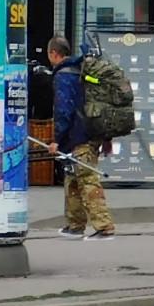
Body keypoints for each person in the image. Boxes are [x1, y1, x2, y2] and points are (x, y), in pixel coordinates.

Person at [49, 36, 114, 240]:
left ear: (54, 53)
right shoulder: (81, 71)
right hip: (90, 133)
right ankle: (75, 225)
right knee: (73, 179)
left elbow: (63, 110)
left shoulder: (64, 75)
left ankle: (104, 227)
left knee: (86, 180)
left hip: (78, 136)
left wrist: (56, 139)